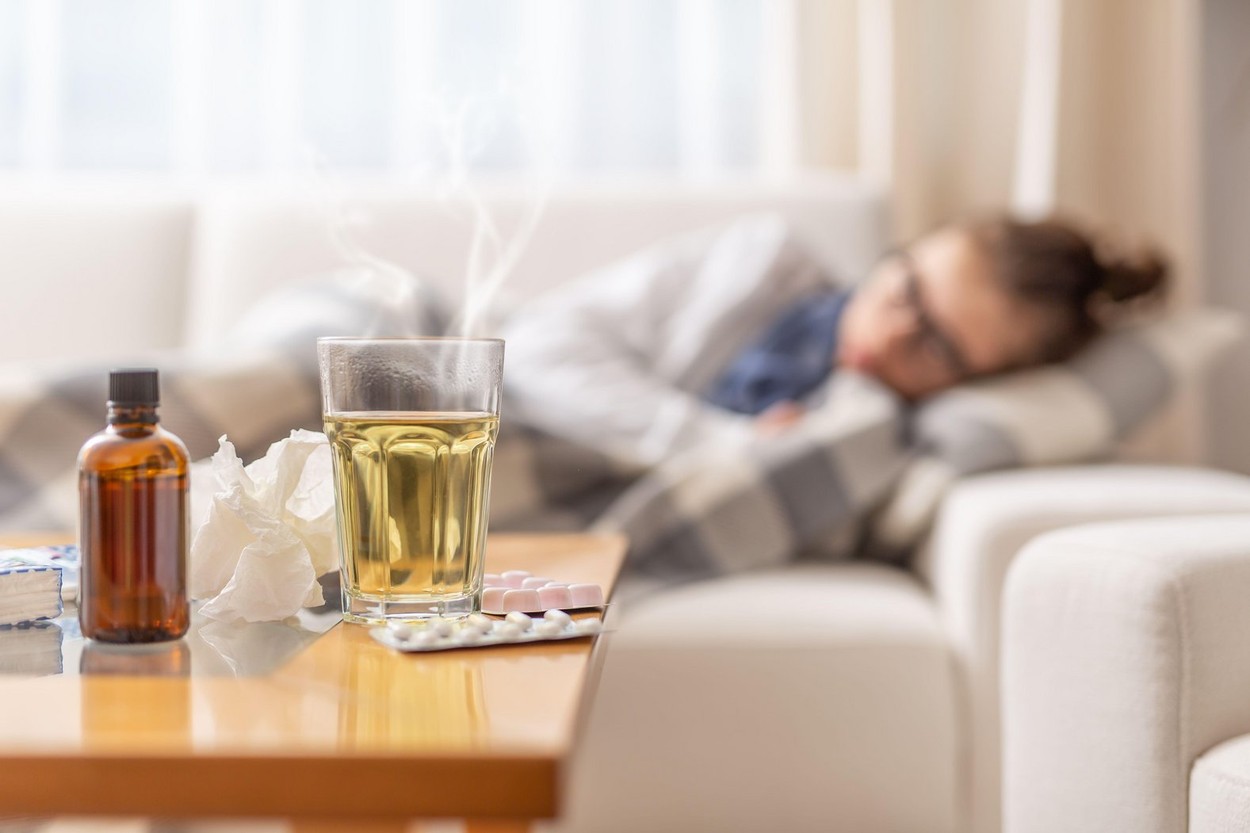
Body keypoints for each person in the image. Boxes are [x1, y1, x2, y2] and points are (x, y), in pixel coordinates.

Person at [500, 212, 1169, 473]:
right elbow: (533, 347)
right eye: (907, 291)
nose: (893, 332)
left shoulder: (872, 436)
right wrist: (714, 439)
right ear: (897, 254)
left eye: (939, 345)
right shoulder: (759, 261)